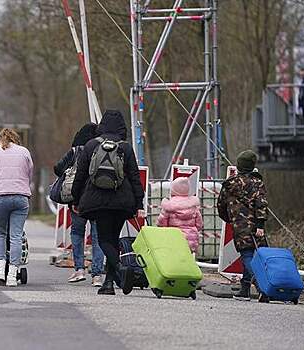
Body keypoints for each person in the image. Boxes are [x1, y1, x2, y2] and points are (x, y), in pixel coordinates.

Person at [71, 110, 145, 296]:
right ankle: (108, 284)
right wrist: (139, 203)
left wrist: (75, 199)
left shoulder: (90, 145)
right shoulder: (126, 148)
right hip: (122, 201)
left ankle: (120, 270)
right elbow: (135, 177)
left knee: (104, 240)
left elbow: (80, 175)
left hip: (98, 201)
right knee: (113, 239)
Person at [0, 128, 33, 287]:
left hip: (0, 197)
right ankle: (12, 274)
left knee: (0, 233)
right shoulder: (24, 152)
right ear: (15, 139)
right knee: (16, 236)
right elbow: (29, 175)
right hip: (21, 198)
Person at [54, 123, 104, 287]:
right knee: (97, 236)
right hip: (97, 199)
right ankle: (97, 275)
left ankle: (79, 270)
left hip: (78, 201)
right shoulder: (102, 150)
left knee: (77, 233)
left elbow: (57, 168)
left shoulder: (75, 152)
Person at [217, 150, 268, 302]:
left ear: (238, 165)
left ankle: (261, 287)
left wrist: (230, 219)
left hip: (239, 225)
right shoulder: (258, 183)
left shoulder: (229, 184)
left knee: (247, 255)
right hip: (257, 226)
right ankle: (245, 290)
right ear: (253, 166)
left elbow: (221, 205)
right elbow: (262, 205)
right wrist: (260, 225)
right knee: (253, 256)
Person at [157, 177, 203, 254]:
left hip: (173, 238)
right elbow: (199, 224)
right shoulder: (193, 206)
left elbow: (161, 223)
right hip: (191, 239)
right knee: (187, 258)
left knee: (175, 258)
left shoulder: (169, 205)